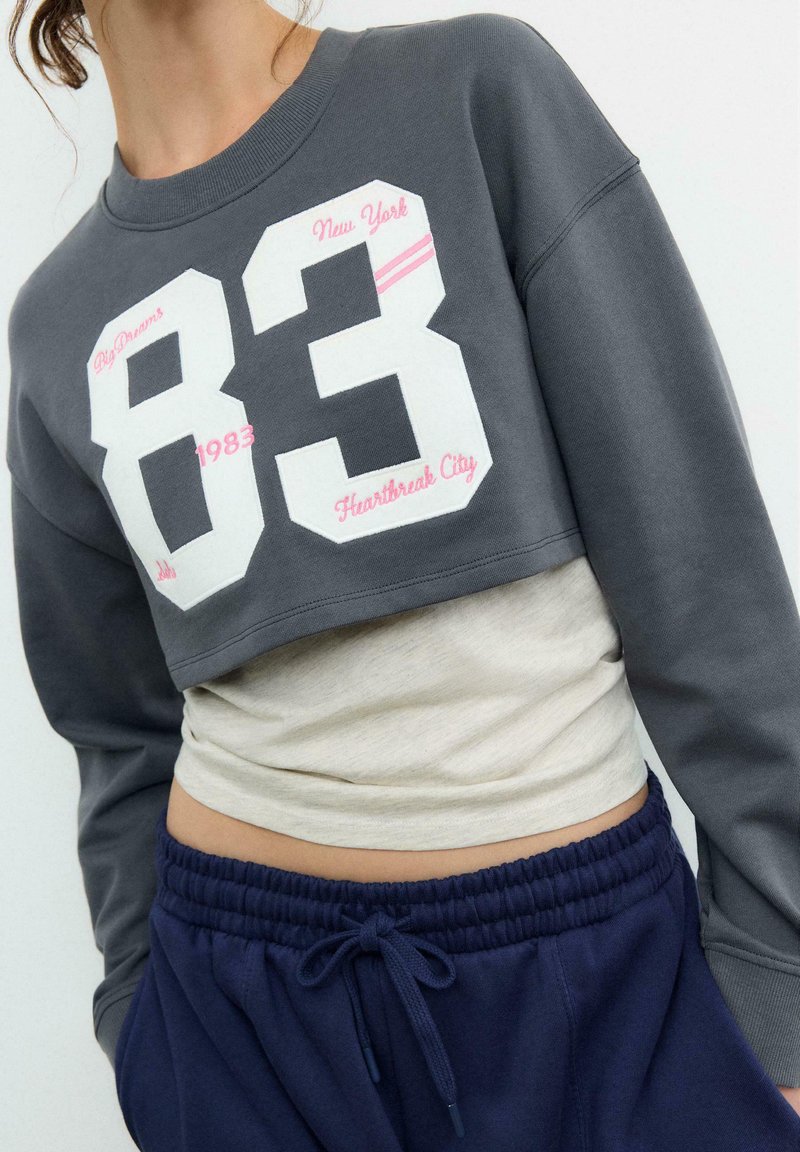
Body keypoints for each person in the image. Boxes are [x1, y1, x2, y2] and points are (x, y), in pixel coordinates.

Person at [6, 2, 800, 1149]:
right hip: (236, 1022)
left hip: (594, 982)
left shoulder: (476, 94)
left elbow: (702, 575)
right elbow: (113, 729)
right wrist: (145, 1029)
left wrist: (781, 990)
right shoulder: (54, 322)